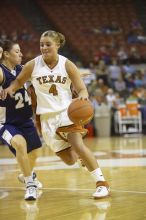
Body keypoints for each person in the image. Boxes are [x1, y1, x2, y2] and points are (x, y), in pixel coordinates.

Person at [0, 30, 110, 199]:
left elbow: (81, 88)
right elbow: (19, 81)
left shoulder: (67, 64)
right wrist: (9, 89)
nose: (44, 47)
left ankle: (101, 184)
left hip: (67, 113)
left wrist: (83, 96)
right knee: (70, 160)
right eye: (41, 44)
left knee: (78, 145)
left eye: (48, 44)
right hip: (45, 119)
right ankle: (80, 157)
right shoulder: (32, 65)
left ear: (57, 45)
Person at [0, 40, 42, 200]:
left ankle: (25, 175)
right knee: (19, 144)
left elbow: (48, 74)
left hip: (25, 121)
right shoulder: (1, 71)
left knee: (35, 153)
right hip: (5, 123)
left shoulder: (23, 70)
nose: (21, 54)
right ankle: (30, 185)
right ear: (6, 54)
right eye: (17, 51)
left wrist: (74, 74)